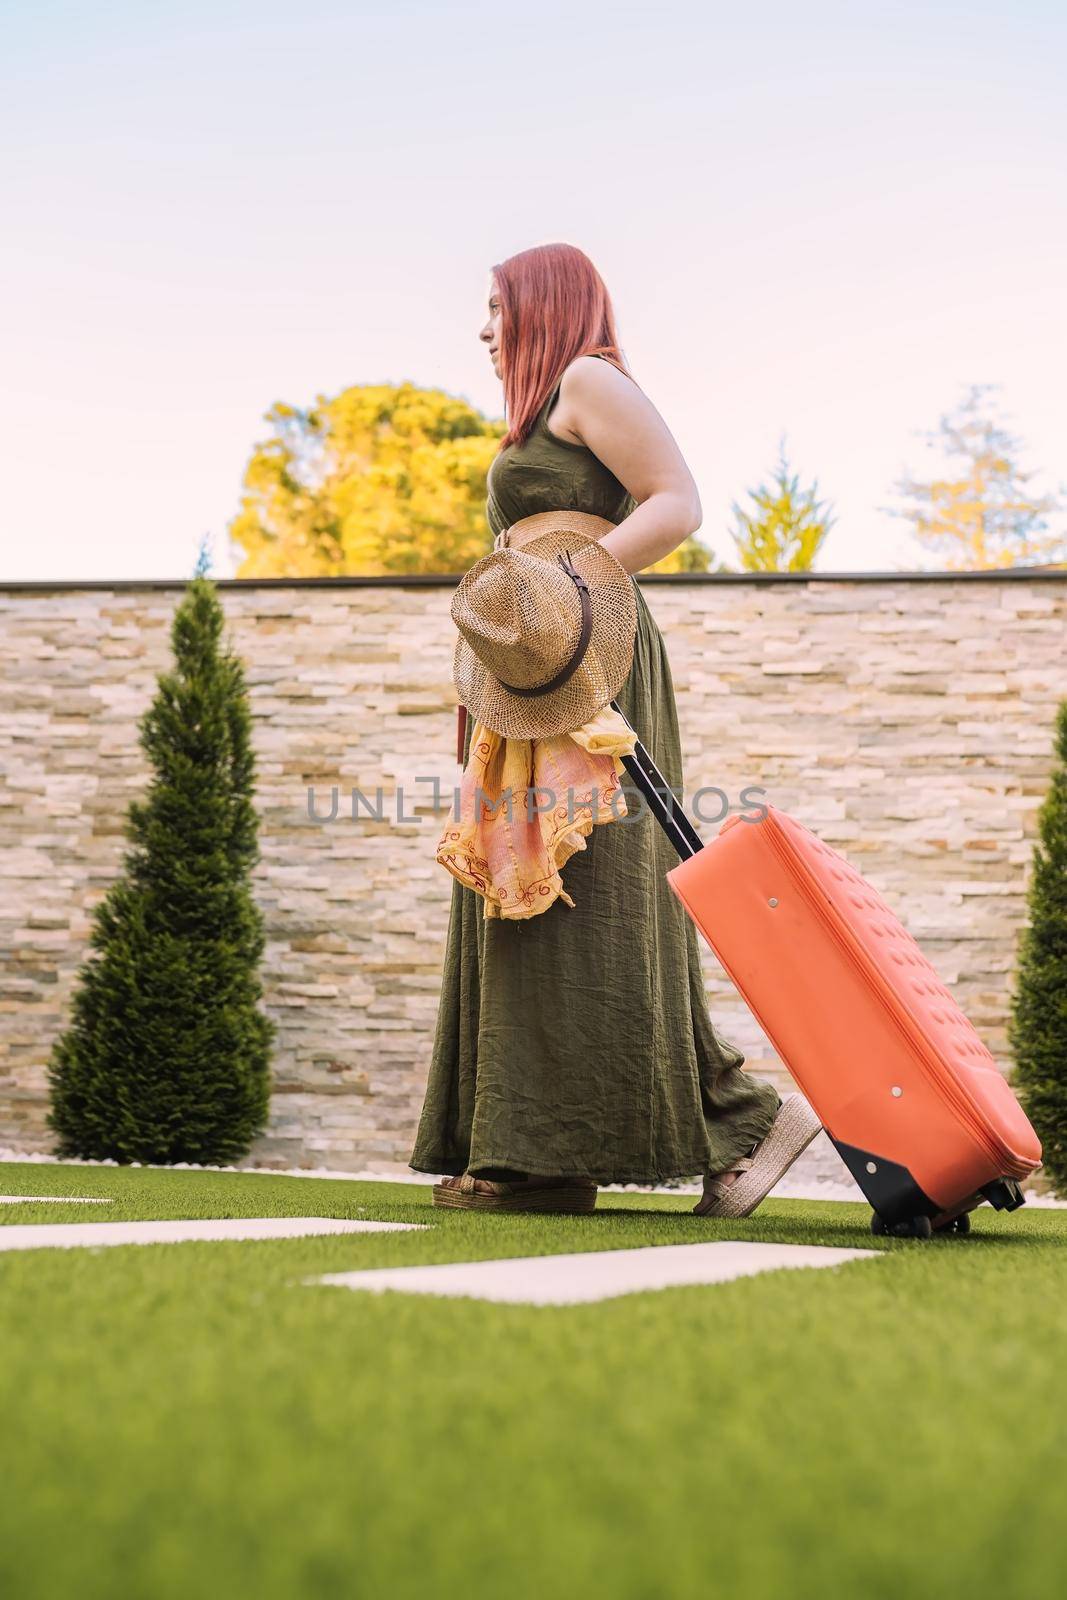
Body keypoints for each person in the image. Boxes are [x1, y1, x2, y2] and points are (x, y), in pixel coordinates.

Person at [408, 241, 820, 1214]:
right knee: (522, 887)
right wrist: (478, 687)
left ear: (542, 305)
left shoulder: (587, 380)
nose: (481, 328)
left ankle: (741, 1125)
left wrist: (569, 585)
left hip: (592, 661)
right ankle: (539, 1157)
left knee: (594, 892)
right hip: (533, 671)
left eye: (494, 306)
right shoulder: (539, 413)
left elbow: (677, 503)